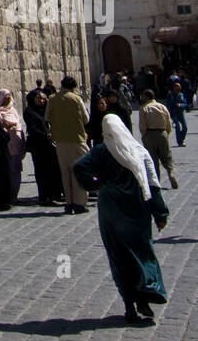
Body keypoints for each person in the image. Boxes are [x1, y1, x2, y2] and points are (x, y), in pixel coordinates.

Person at [72, 115, 168, 327]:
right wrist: (160, 214)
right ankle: (146, 294)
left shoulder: (99, 151)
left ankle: (129, 306)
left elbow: (79, 167)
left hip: (110, 209)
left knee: (118, 256)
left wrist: (96, 184)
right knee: (142, 251)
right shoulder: (138, 151)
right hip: (136, 208)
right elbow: (152, 183)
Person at [45, 76, 90, 215]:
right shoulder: (76, 99)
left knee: (65, 173)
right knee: (79, 171)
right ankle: (80, 203)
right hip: (77, 139)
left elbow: (47, 117)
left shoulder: (52, 99)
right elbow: (86, 119)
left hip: (60, 141)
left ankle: (69, 202)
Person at [23, 91, 63, 206]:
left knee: (52, 169)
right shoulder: (29, 111)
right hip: (38, 145)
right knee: (42, 171)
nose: (41, 101)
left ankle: (54, 194)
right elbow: (32, 128)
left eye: (43, 98)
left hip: (49, 145)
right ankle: (44, 196)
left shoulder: (46, 110)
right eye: (38, 98)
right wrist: (45, 135)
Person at [139, 91, 178, 190]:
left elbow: (142, 125)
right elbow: (169, 123)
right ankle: (171, 172)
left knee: (153, 159)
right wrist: (166, 133)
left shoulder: (144, 108)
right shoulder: (162, 107)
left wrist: (144, 136)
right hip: (162, 133)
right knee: (167, 157)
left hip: (150, 134)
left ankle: (156, 182)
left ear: (147, 97)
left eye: (143, 95)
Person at [0, 89, 26, 201]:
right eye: (5, 96)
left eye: (9, 96)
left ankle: (14, 194)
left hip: (16, 144)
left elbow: (18, 125)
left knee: (16, 170)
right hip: (6, 145)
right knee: (7, 170)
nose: (7, 98)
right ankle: (7, 195)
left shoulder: (13, 110)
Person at [165, 80, 188, 147]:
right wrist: (168, 113)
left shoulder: (181, 94)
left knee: (185, 127)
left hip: (180, 112)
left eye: (179, 87)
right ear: (174, 87)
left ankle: (181, 138)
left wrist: (181, 105)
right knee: (177, 126)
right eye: (177, 87)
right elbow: (168, 104)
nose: (179, 88)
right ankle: (180, 142)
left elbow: (185, 103)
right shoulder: (170, 95)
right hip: (173, 113)